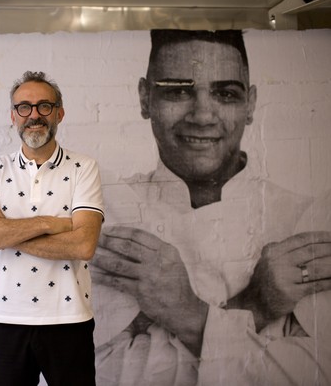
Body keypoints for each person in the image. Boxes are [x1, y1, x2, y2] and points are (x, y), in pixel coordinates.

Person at [91, 30, 331, 385]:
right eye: (178, 90)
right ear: (145, 99)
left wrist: (177, 319)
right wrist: (258, 310)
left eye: (225, 94)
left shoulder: (305, 224)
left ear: (250, 105)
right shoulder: (105, 214)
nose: (203, 115)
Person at [0, 71, 105, 386]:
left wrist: (3, 230)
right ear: (13, 116)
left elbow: (83, 245)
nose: (34, 115)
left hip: (69, 320)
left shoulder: (84, 168)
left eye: (44, 106)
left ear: (59, 113)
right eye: (24, 107)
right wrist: (51, 224)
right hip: (6, 320)